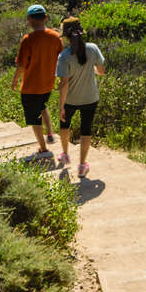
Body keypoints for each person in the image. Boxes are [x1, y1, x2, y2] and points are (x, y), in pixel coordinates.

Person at [12, 4, 63, 160]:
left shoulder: (28, 40)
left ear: (29, 20)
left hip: (30, 86)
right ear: (45, 18)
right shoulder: (56, 37)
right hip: (48, 83)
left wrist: (15, 80)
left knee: (34, 118)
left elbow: (21, 65)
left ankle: (43, 148)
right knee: (42, 106)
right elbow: (62, 60)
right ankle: (50, 133)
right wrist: (62, 79)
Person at [56, 17, 105, 178]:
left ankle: (65, 154)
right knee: (86, 130)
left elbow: (64, 83)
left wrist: (61, 106)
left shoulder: (64, 57)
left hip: (70, 99)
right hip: (90, 97)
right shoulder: (93, 49)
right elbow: (101, 71)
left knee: (64, 126)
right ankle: (82, 165)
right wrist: (92, 71)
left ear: (66, 36)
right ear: (81, 33)